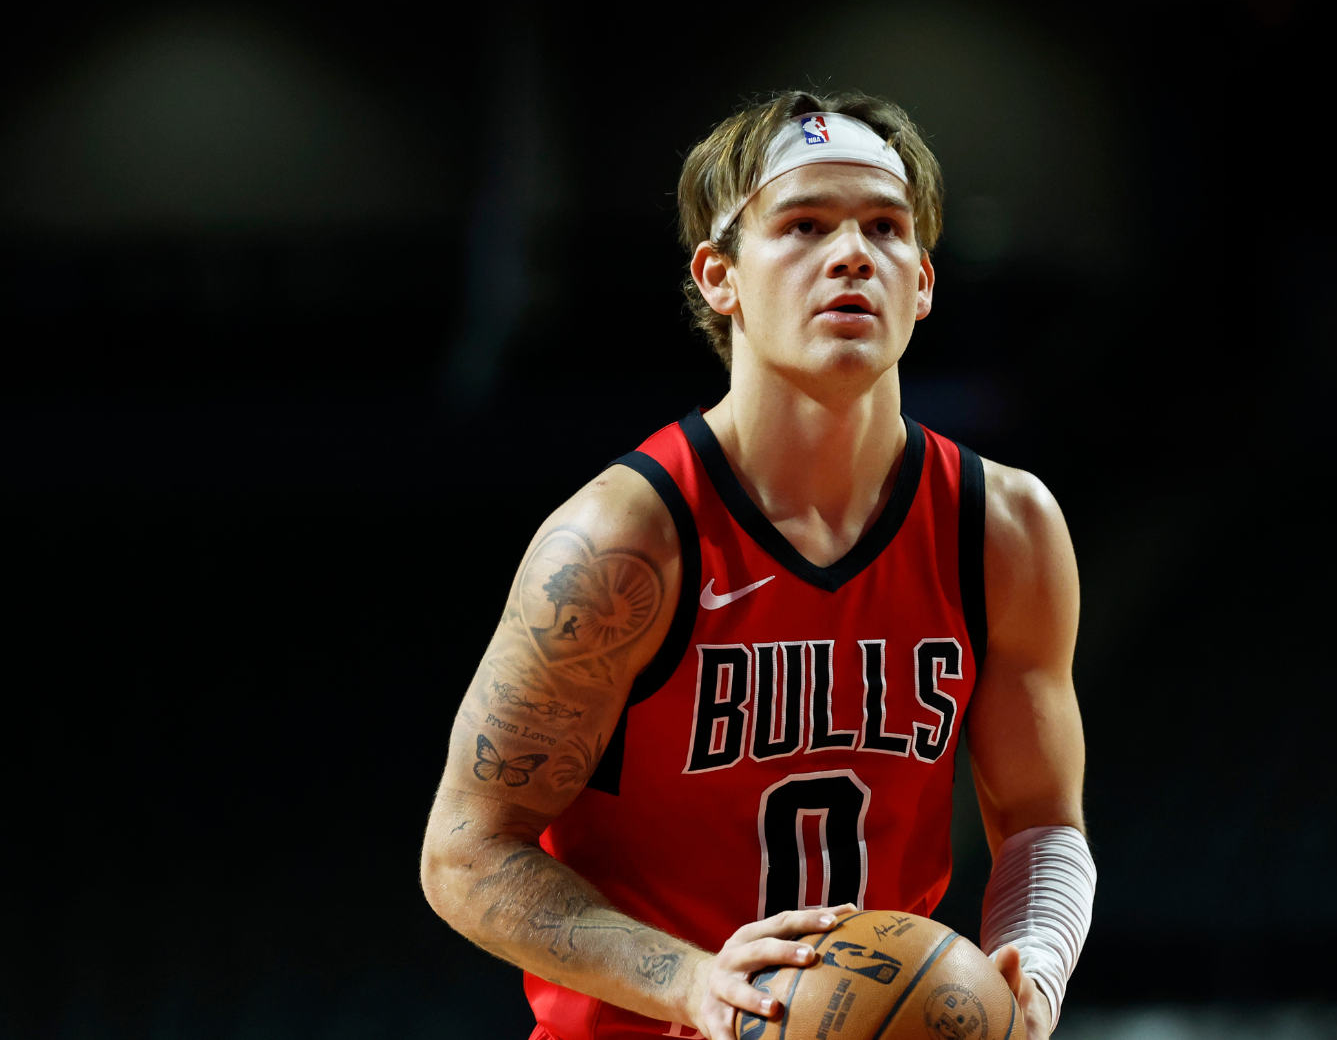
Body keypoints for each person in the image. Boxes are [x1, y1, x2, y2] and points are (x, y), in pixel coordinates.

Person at [420, 90, 1095, 1040]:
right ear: (719, 276)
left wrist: (1037, 963)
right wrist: (693, 984)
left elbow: (1041, 822)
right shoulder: (621, 543)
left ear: (923, 282)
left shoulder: (1003, 528)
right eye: (805, 224)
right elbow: (465, 853)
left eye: (885, 227)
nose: (853, 253)